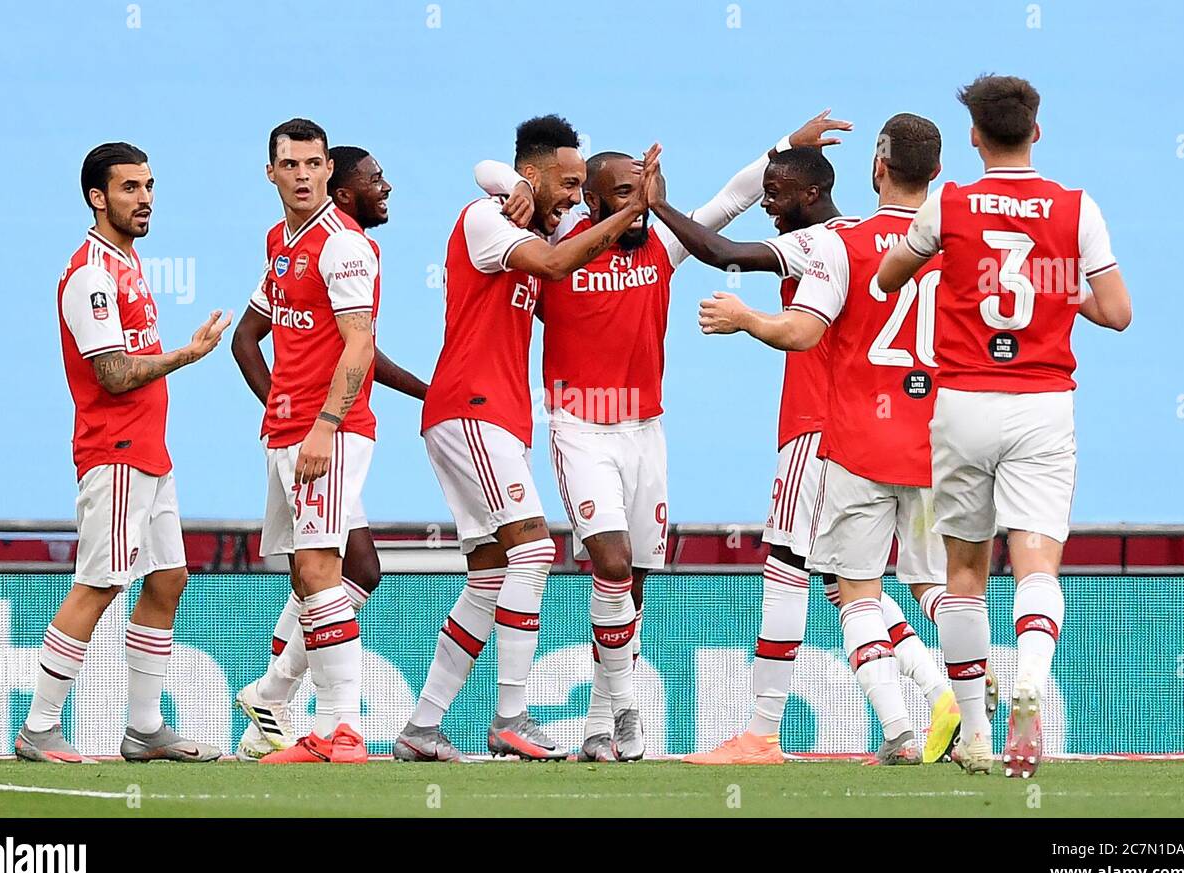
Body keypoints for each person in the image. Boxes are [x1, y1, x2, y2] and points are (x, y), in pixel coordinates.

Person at [472, 111, 853, 761]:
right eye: (625, 192)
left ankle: (600, 723)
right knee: (612, 563)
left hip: (647, 431)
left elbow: (732, 201)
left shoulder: (662, 243)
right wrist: (507, 180)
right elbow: (490, 177)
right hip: (580, 428)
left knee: (635, 581)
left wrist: (786, 145)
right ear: (590, 200)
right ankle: (625, 712)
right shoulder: (559, 246)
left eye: (646, 188)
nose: (642, 202)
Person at [878, 75, 1130, 776]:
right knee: (1037, 561)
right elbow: (1116, 310)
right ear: (1037, 131)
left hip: (962, 403)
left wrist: (948, 261)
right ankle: (1032, 681)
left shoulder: (949, 203)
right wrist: (1056, 284)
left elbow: (890, 278)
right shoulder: (1076, 209)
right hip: (1043, 402)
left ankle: (979, 733)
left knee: (964, 572)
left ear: (974, 137)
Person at [697, 114, 963, 764]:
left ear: (875, 169)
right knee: (858, 587)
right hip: (925, 438)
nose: (767, 203)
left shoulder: (831, 242)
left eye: (777, 192)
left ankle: (762, 732)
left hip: (826, 430)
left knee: (788, 569)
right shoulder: (948, 244)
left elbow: (721, 248)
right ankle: (930, 711)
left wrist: (742, 314)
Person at [394, 115, 657, 761]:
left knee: (489, 578)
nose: (575, 196)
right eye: (567, 183)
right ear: (532, 175)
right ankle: (511, 716)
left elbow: (548, 231)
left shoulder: (518, 215)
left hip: (493, 418)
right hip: (473, 410)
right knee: (534, 553)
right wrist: (629, 212)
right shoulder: (488, 221)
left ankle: (421, 727)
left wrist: (516, 182)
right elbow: (560, 258)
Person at [15, 142, 230, 763]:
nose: (145, 199)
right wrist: (185, 357)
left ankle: (144, 729)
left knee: (167, 578)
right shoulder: (90, 274)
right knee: (100, 582)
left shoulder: (127, 263)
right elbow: (111, 373)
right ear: (97, 197)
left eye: (149, 186)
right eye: (130, 188)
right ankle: (38, 726)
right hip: (115, 452)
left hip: (150, 454)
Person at [232, 144, 429, 761]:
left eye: (312, 164)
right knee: (345, 569)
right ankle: (273, 698)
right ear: (270, 173)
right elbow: (246, 339)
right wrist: (283, 411)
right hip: (294, 435)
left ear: (325, 175)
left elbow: (360, 345)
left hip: (330, 434)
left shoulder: (344, 246)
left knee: (320, 570)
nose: (300, 175)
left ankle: (339, 727)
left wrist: (322, 425)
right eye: (288, 165)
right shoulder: (283, 243)